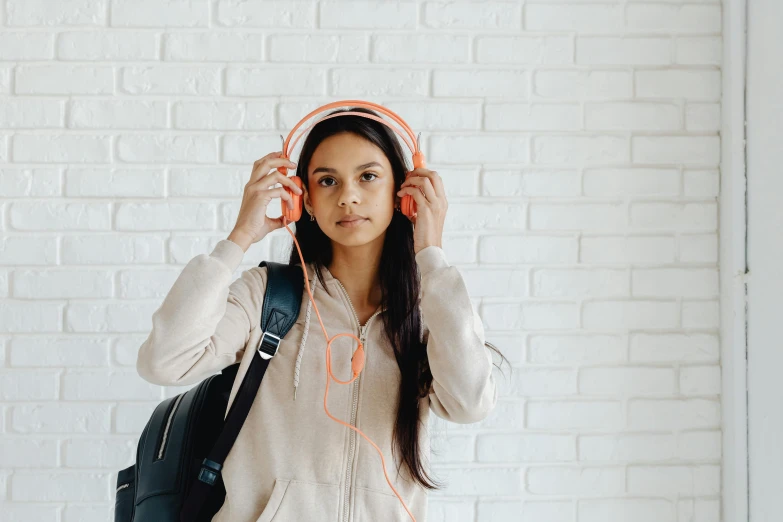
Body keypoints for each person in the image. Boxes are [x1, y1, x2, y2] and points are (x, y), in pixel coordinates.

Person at [136, 107, 509, 522]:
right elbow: (164, 361)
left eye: (368, 176)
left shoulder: (430, 311)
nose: (348, 195)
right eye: (327, 181)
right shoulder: (269, 297)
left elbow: (470, 403)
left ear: (401, 194)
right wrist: (240, 237)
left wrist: (431, 254)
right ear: (305, 202)